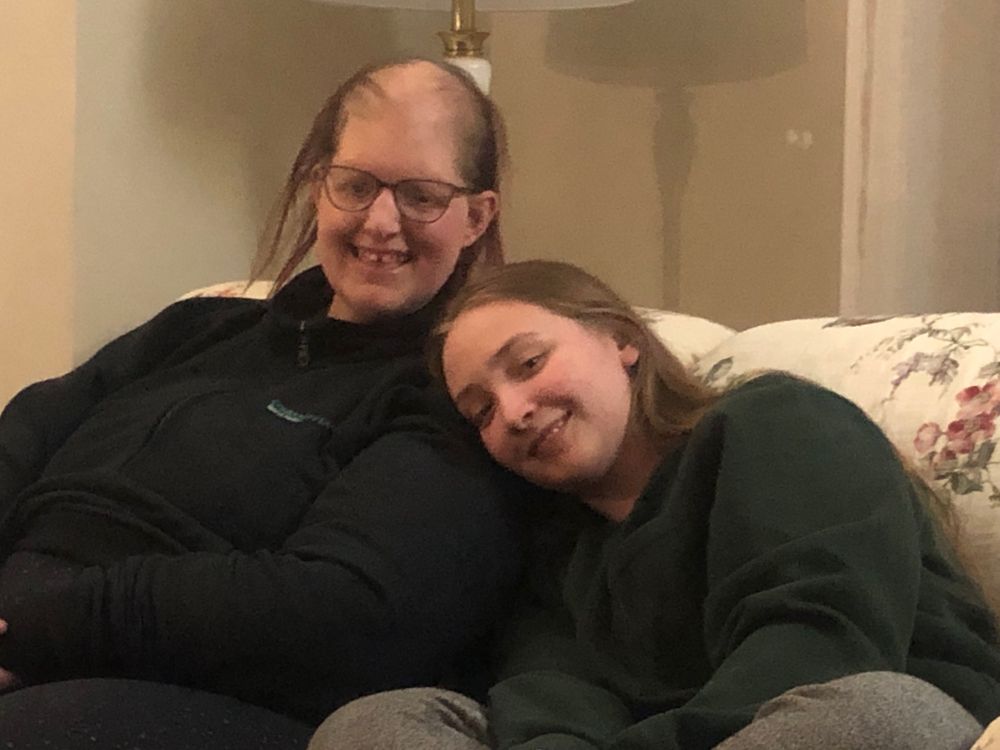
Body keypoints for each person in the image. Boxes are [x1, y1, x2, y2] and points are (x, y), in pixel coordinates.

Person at [0, 58, 528, 748]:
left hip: (194, 689)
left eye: (421, 195)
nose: (381, 221)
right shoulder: (199, 328)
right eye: (355, 185)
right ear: (318, 189)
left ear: (476, 217)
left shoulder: (449, 397)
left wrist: (42, 627)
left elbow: (343, 614)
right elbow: (27, 432)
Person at [309, 259, 1000, 750]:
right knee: (375, 726)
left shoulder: (778, 423)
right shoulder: (556, 544)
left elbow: (819, 641)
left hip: (860, 712)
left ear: (622, 340)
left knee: (876, 716)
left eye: (528, 364)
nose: (513, 411)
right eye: (481, 410)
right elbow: (550, 693)